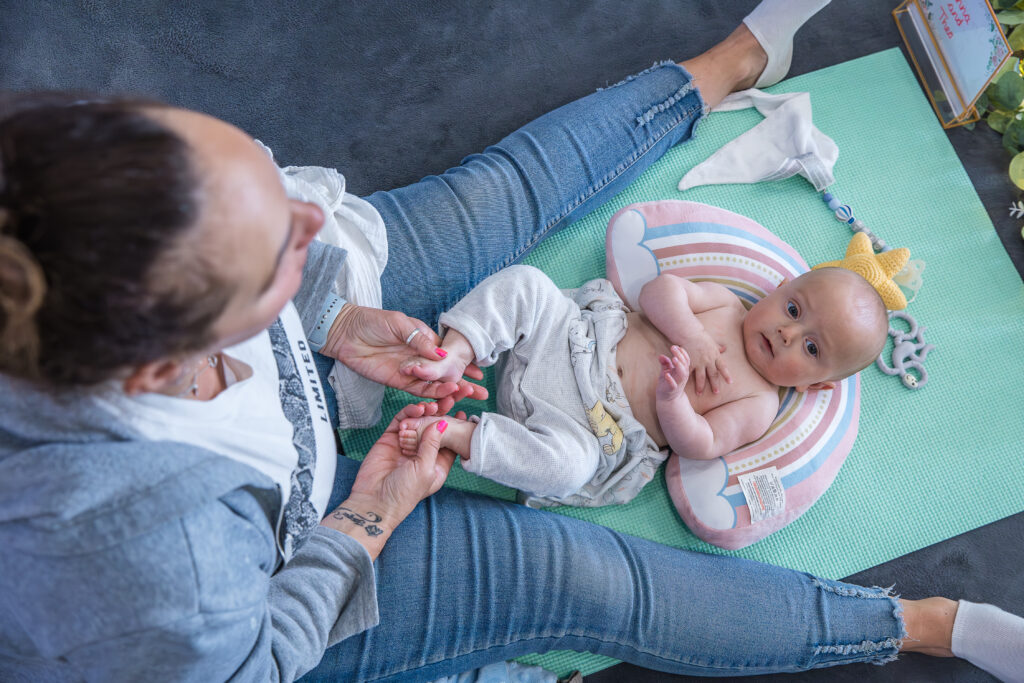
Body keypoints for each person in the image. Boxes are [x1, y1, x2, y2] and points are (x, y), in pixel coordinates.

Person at [1, 1, 1022, 682]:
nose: (318, 217)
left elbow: (706, 450)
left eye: (279, 191)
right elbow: (256, 657)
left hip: (563, 411)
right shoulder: (150, 563)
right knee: (587, 578)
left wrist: (336, 314)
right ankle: (914, 621)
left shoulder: (70, 217)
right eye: (279, 249)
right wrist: (368, 512)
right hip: (297, 559)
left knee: (490, 203)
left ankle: (729, 66)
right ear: (160, 362)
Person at [394, 264, 888, 508]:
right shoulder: (723, 305)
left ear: (816, 386)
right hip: (571, 342)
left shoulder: (757, 402)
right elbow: (658, 292)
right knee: (529, 284)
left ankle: (459, 435)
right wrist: (690, 334)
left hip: (588, 427)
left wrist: (674, 402)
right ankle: (456, 352)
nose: (787, 333)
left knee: (571, 469)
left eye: (811, 349)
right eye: (795, 310)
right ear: (780, 287)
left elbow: (701, 444)